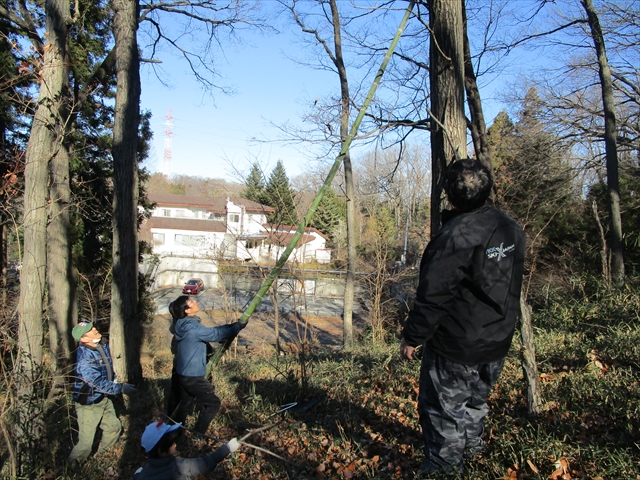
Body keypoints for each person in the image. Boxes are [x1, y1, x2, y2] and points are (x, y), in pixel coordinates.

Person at [400, 159, 526, 475]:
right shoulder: (509, 227)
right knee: (475, 403)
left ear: (449, 194)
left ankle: (444, 467)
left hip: (457, 345)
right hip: (497, 339)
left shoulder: (454, 237)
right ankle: (471, 451)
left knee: (444, 410)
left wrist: (412, 337)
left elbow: (433, 297)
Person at [171, 296, 246, 434]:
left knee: (185, 404)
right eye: (191, 302)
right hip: (193, 376)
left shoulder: (182, 324)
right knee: (213, 404)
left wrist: (232, 325)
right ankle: (198, 434)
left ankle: (172, 432)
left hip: (183, 373)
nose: (195, 301)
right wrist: (237, 327)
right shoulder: (192, 328)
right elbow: (215, 334)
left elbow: (212, 331)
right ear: (187, 310)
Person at [68, 320, 137, 463]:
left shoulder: (101, 346)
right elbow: (97, 383)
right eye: (90, 330)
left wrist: (115, 380)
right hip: (88, 403)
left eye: (93, 327)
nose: (95, 330)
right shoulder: (84, 359)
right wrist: (121, 388)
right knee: (85, 445)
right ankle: (71, 470)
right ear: (83, 339)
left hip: (103, 398)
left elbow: (106, 370)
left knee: (114, 428)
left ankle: (99, 460)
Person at [134, 421, 241, 479]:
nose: (175, 445)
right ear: (161, 451)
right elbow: (205, 464)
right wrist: (227, 448)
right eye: (171, 444)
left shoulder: (145, 473)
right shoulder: (179, 467)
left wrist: (137, 475)